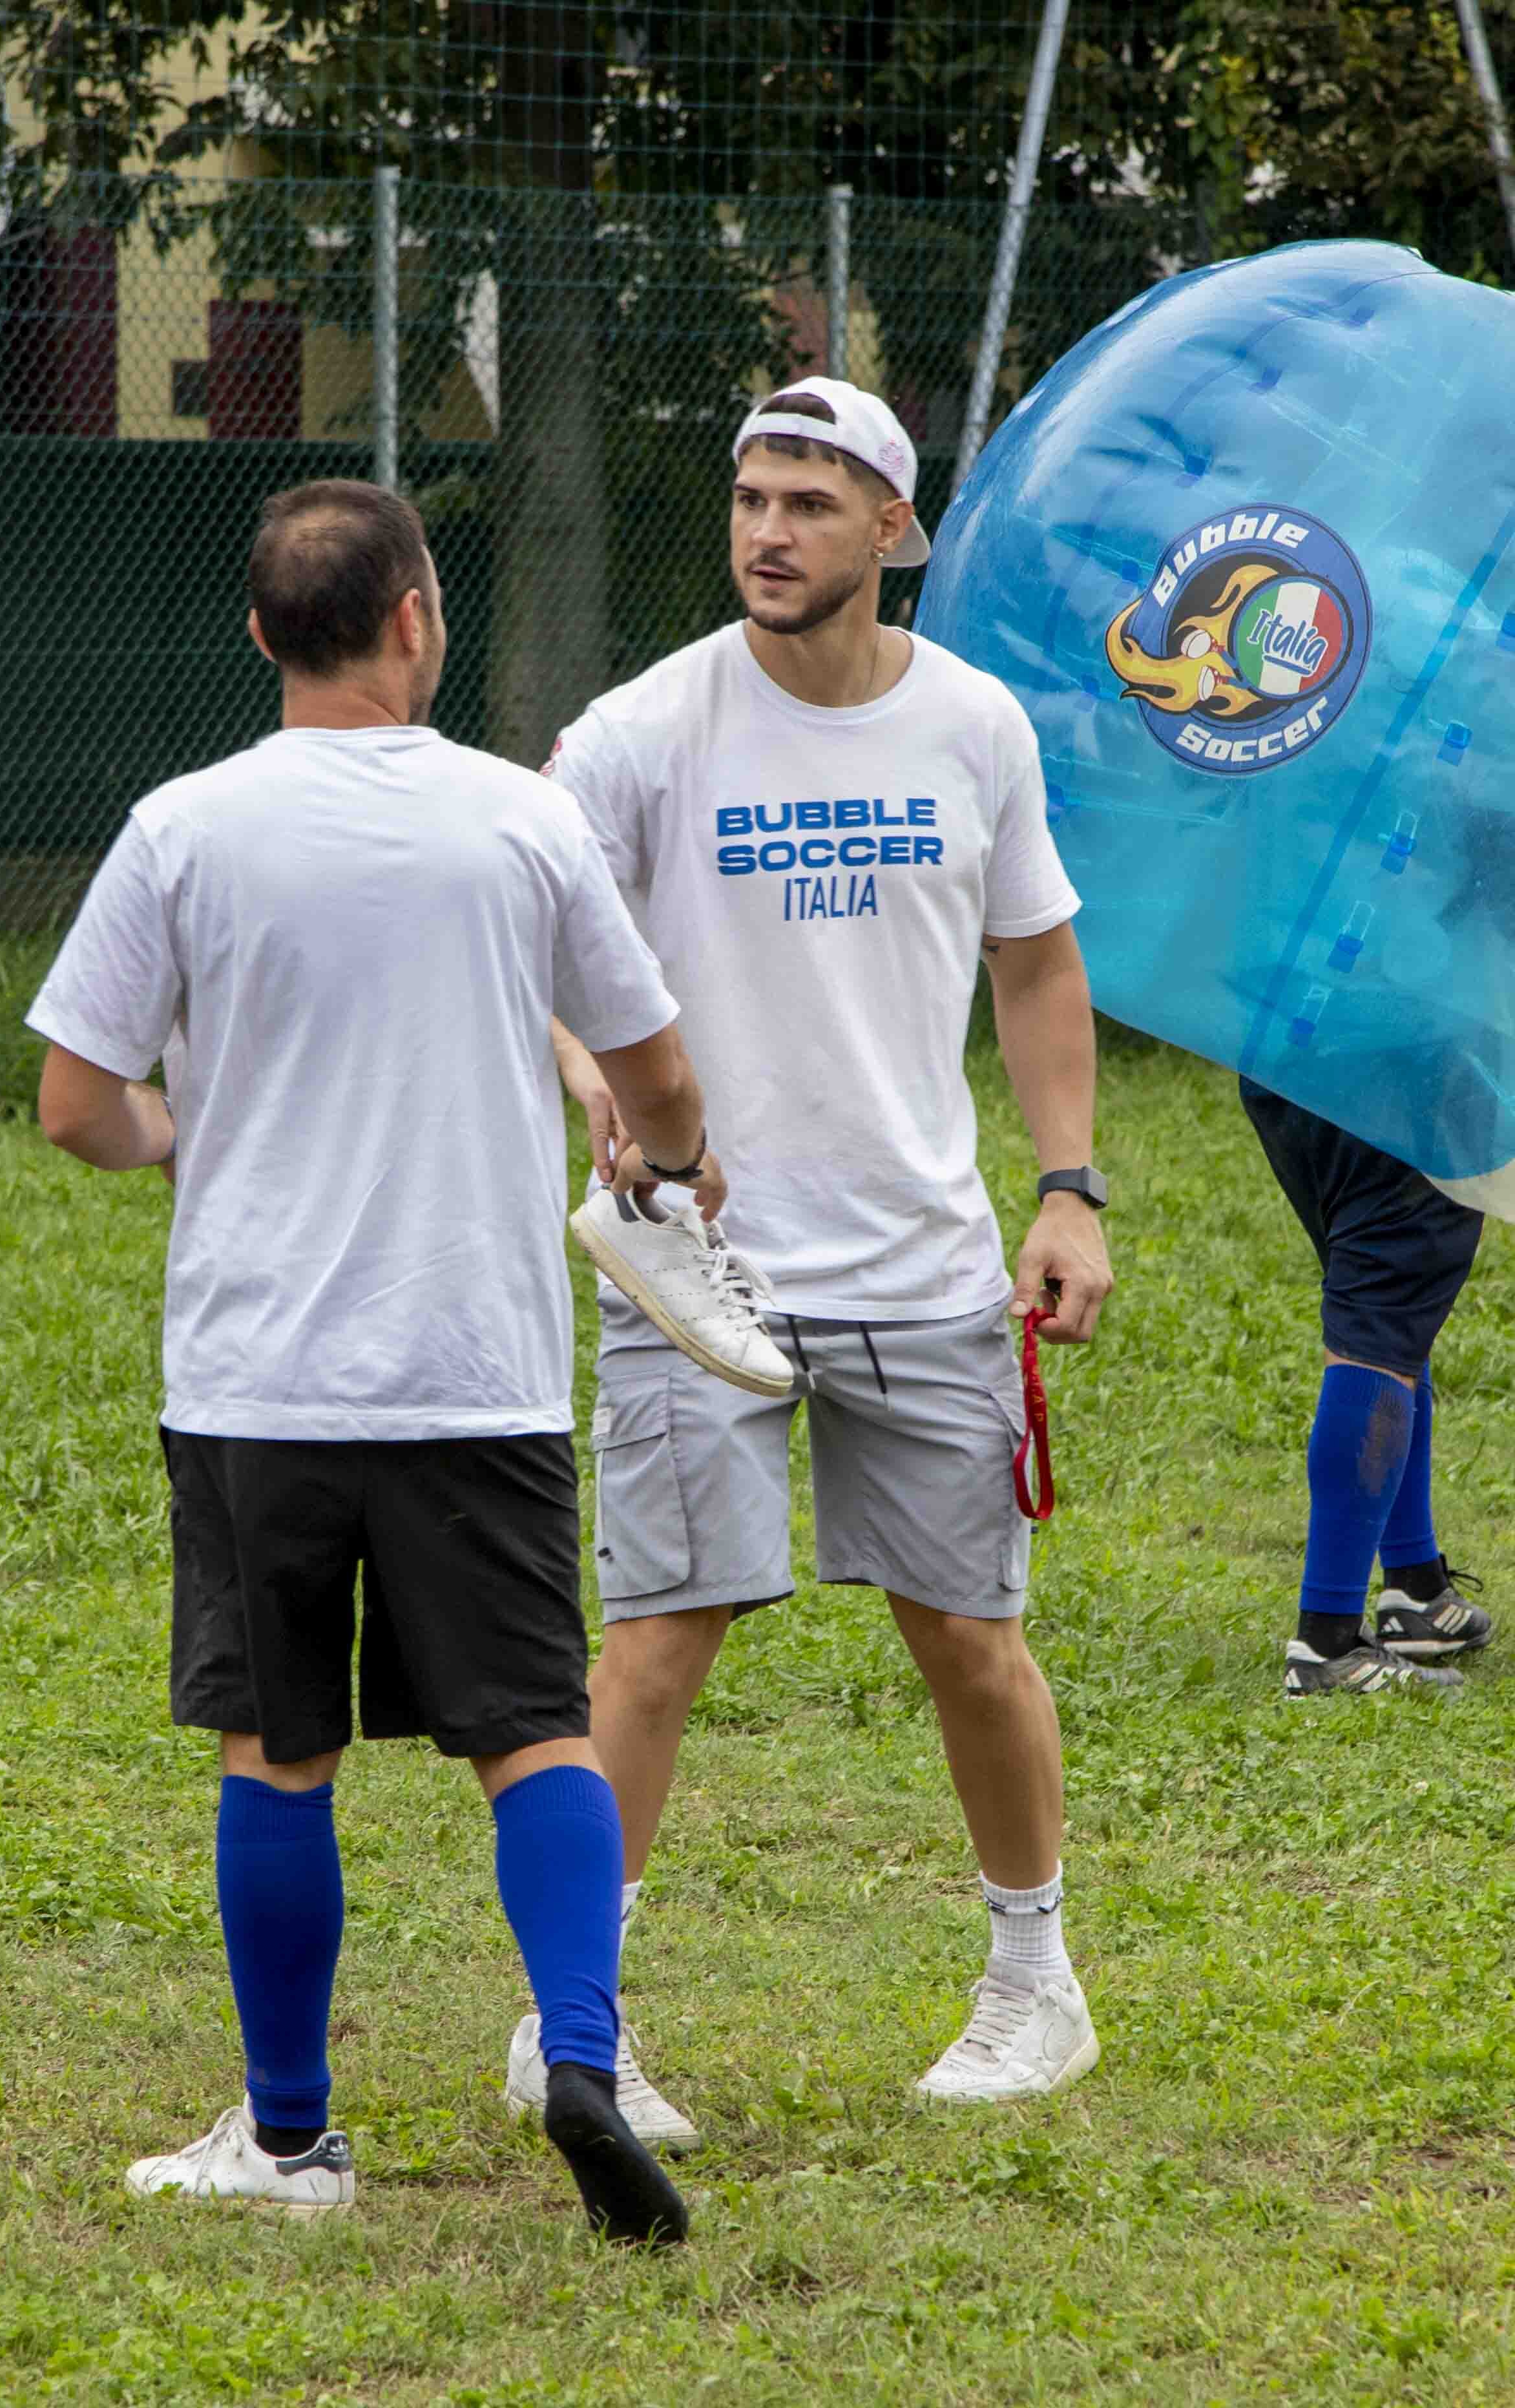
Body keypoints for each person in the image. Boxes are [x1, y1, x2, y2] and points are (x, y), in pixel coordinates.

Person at [30, 479, 766, 2245]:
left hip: (255, 1384)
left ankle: (289, 2145)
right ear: (416, 621)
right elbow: (654, 1077)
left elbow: (73, 1100)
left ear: (262, 635)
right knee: (532, 1733)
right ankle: (575, 2051)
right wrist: (660, 1152)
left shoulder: (181, 828)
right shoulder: (516, 824)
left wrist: (174, 1145)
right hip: (479, 1373)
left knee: (273, 1752)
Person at [528, 379, 1116, 2131]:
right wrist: (591, 1085)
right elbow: (536, 925)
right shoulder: (643, 728)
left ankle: (1032, 1985)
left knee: (968, 1634)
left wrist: (1067, 1185)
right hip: (692, 1265)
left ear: (890, 531)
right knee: (653, 1635)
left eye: (807, 500)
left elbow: (1032, 965)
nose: (767, 530)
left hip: (923, 1262)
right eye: (749, 497)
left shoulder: (975, 726)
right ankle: (574, 2023)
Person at [1243, 1082, 1501, 1698]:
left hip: (1289, 1058)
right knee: (1383, 1313)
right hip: (1407, 1069)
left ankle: (1415, 1589)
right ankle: (1327, 1644)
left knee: (1393, 1306)